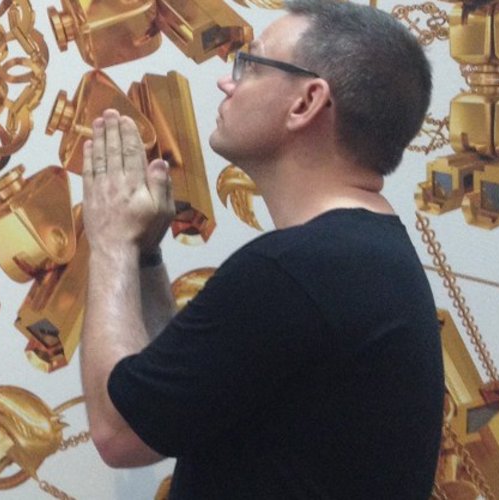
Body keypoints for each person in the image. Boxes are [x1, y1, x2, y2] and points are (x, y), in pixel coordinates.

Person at [78, 0, 442, 498]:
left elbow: (121, 432)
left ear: (306, 102)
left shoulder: (295, 271)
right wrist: (143, 255)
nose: (226, 82)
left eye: (250, 65)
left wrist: (109, 240)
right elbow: (166, 404)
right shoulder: (360, 256)